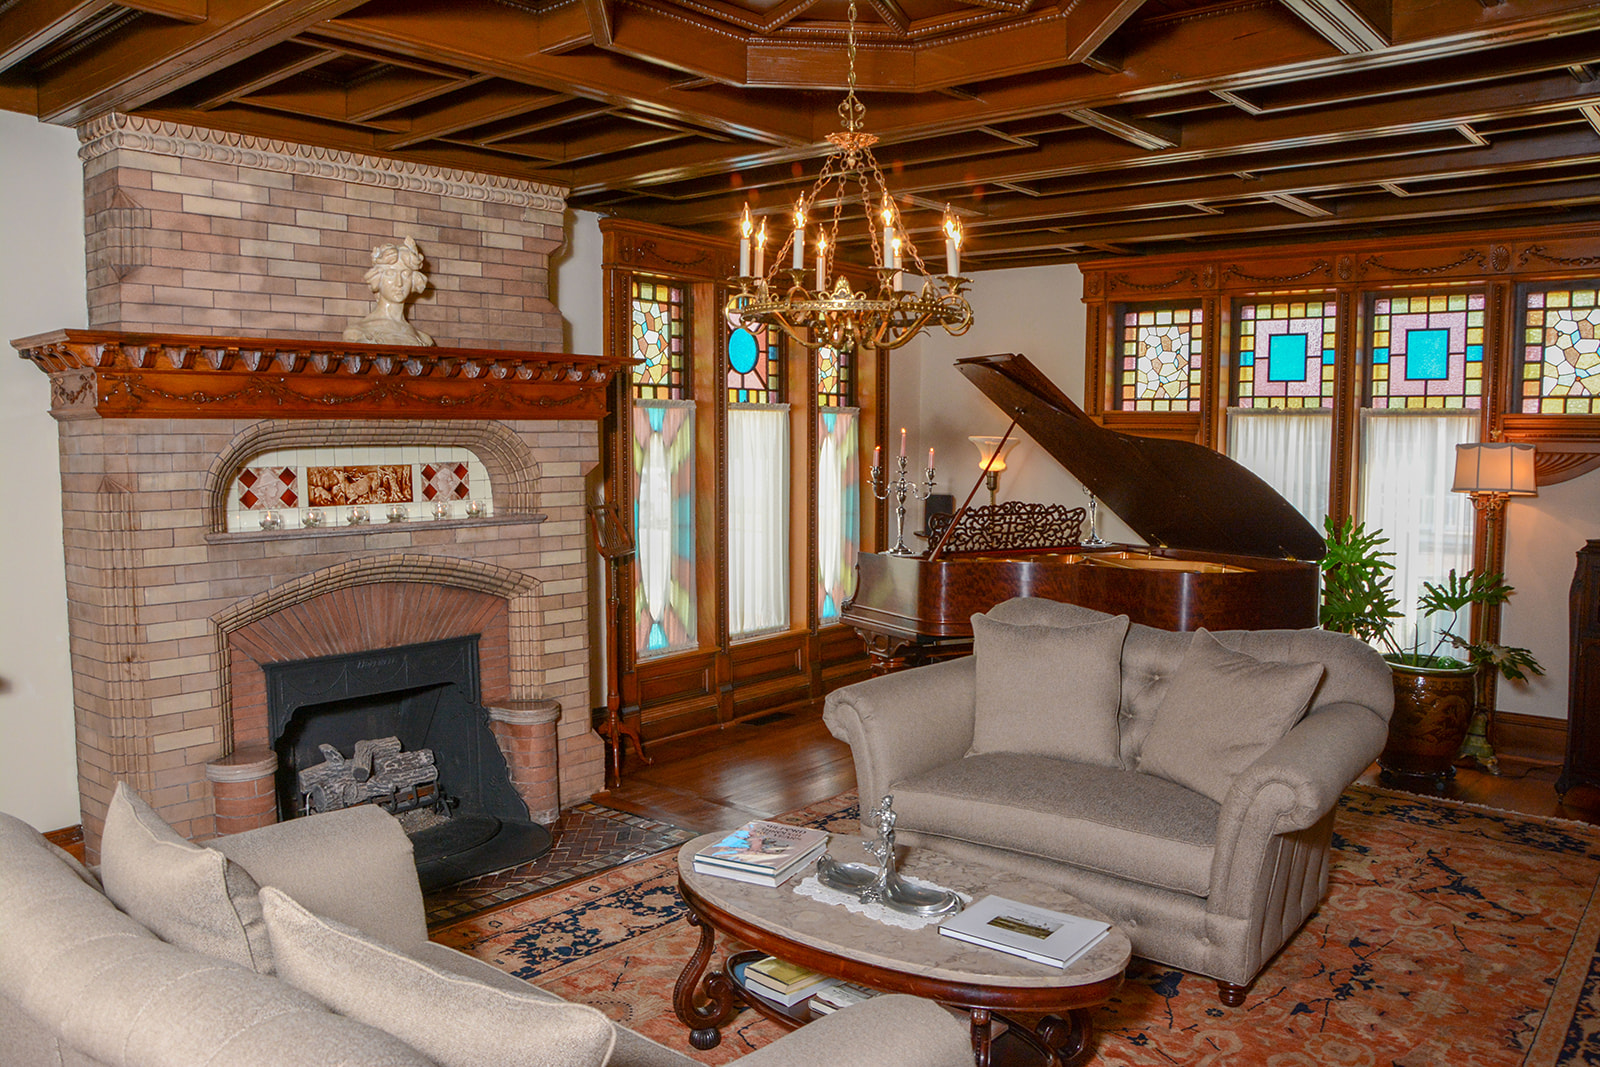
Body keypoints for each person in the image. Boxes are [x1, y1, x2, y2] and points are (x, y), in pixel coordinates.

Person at [343, 236, 435, 346]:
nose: (399, 282)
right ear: (377, 277)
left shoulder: (423, 339)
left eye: (405, 274)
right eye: (390, 274)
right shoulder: (357, 333)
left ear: (414, 280)